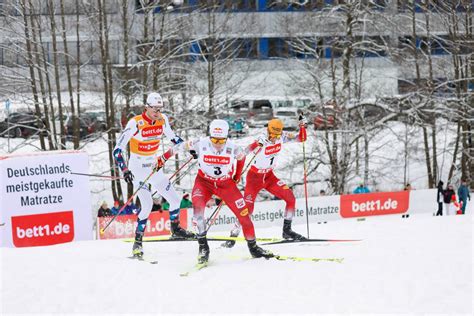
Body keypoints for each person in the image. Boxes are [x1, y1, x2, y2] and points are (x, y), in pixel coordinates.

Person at [162, 119, 273, 264]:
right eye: (214, 139)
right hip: (204, 183)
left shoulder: (232, 148)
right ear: (210, 136)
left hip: (225, 184)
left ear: (227, 137)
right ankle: (203, 247)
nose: (217, 143)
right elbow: (178, 147)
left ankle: (253, 247)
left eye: (221, 140)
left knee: (244, 216)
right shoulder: (200, 143)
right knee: (198, 212)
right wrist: (162, 158)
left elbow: (243, 156)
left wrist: (237, 175)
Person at [113, 92, 194, 258]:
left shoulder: (162, 120)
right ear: (146, 107)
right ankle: (137, 243)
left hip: (154, 167)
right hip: (137, 170)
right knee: (147, 205)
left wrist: (189, 149)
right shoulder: (135, 123)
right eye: (154, 109)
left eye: (159, 108)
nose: (157, 112)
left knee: (175, 200)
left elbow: (173, 138)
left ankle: (176, 229)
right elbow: (117, 150)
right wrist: (125, 170)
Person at [222, 117, 308, 248]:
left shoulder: (282, 136)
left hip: (269, 177)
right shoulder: (261, 139)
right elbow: (242, 154)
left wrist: (302, 126)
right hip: (254, 178)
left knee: (290, 198)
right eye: (272, 135)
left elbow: (301, 138)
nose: (274, 138)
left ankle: (287, 231)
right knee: (247, 210)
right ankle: (232, 237)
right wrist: (255, 145)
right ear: (268, 130)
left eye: (277, 135)